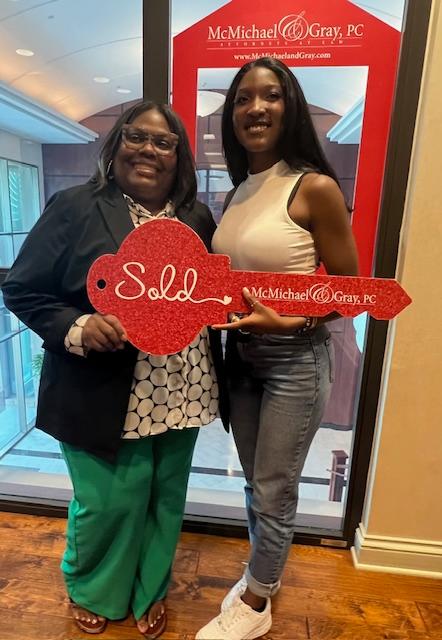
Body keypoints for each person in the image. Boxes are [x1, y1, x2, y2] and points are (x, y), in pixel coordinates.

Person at [2, 100, 227, 638]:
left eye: (164, 142)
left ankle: (150, 589)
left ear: (179, 156)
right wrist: (78, 326)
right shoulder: (75, 207)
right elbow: (22, 287)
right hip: (101, 388)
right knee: (108, 502)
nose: (149, 149)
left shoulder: (196, 217)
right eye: (136, 136)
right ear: (116, 144)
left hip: (184, 383)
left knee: (165, 496)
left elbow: (210, 293)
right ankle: (92, 588)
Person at [196, 57, 359, 640]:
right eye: (242, 99)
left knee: (274, 485)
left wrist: (290, 321)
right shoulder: (239, 190)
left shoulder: (313, 186)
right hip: (239, 357)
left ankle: (258, 600)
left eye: (270, 96)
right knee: (255, 480)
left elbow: (350, 289)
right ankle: (262, 571)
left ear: (290, 108)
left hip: (295, 360)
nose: (255, 108)